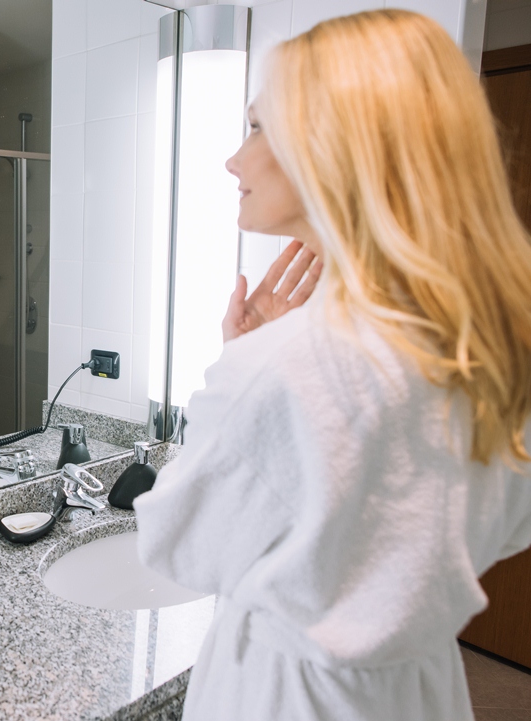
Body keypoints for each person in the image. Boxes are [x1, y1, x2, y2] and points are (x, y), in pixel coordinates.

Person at [135, 10, 531, 721]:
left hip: (285, 699)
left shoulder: (286, 364)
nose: (234, 160)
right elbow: (510, 528)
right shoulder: (490, 345)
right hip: (420, 692)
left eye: (257, 127)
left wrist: (237, 369)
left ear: (334, 147)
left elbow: (177, 545)